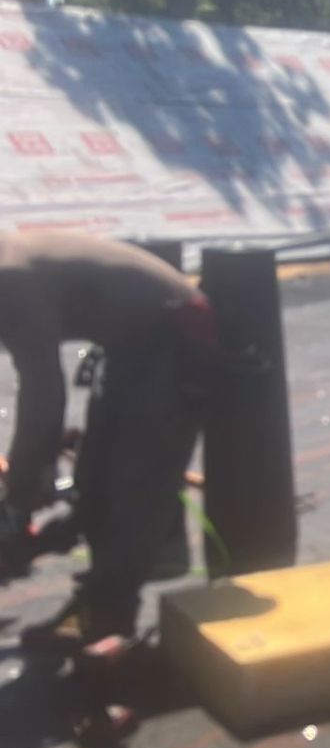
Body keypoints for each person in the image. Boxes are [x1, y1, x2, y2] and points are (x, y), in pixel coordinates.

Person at [0, 231, 216, 652]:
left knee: (134, 490)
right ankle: (96, 599)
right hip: (128, 345)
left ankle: (112, 623)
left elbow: (44, 390)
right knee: (93, 480)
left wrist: (19, 492)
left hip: (176, 336)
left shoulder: (7, 281)